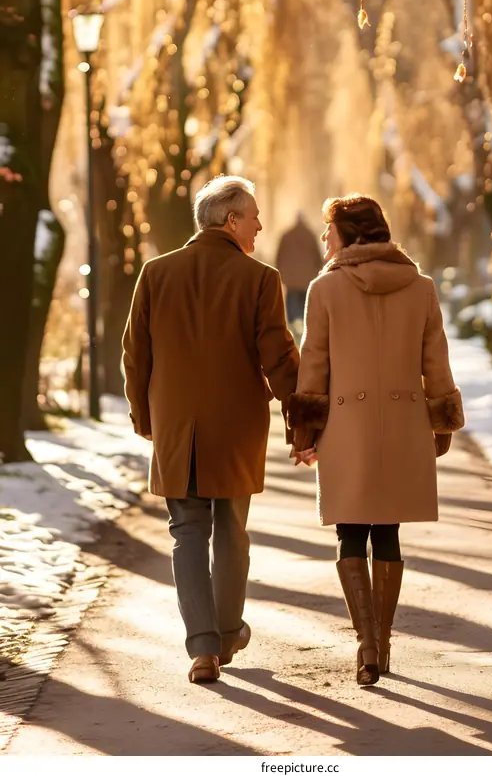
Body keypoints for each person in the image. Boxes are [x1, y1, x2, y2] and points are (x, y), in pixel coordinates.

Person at [122, 175, 299, 685]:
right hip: (236, 426)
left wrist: (145, 417)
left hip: (176, 425)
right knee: (232, 531)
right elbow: (277, 356)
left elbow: (135, 353)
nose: (260, 225)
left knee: (187, 533)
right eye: (254, 216)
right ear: (231, 220)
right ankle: (225, 633)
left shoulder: (156, 272)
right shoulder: (260, 278)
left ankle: (202, 648)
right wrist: (301, 414)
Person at [288, 193, 464, 687]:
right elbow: (436, 362)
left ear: (350, 234)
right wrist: (441, 421)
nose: (324, 240)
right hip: (405, 424)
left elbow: (314, 365)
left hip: (347, 427)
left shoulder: (324, 289)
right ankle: (382, 644)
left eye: (329, 231)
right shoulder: (421, 287)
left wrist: (305, 432)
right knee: (387, 532)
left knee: (350, 532)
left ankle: (366, 644)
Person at [275, 211, 323, 325]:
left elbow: (279, 257)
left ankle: (294, 330)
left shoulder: (287, 235)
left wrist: (282, 274)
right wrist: (317, 272)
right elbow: (318, 257)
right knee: (305, 311)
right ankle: (303, 330)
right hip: (307, 280)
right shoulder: (310, 235)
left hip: (291, 281)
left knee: (292, 313)